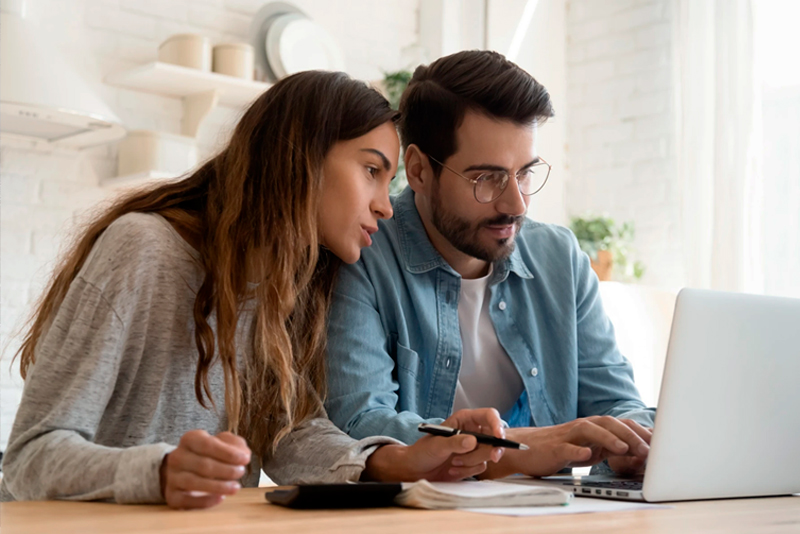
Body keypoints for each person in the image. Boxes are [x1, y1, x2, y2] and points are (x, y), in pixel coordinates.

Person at [0, 70, 506, 509]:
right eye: (371, 170)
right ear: (300, 158)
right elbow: (30, 455)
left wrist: (399, 461)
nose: (386, 206)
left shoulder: (287, 287)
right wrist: (158, 473)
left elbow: (289, 434)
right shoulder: (144, 249)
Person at [325, 51, 656, 479]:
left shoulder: (559, 258)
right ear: (420, 171)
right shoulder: (361, 255)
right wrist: (514, 450)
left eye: (525, 173)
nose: (515, 204)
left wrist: (633, 443)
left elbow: (616, 401)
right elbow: (359, 423)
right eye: (488, 178)